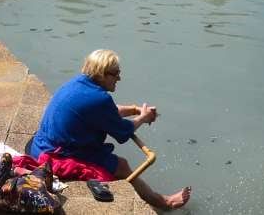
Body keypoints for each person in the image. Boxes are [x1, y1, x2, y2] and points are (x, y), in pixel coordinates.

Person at [26, 50, 191, 210]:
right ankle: (164, 202)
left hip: (40, 146)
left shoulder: (78, 83)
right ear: (102, 74)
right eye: (115, 73)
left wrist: (135, 110)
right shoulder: (99, 99)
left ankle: (154, 199)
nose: (119, 78)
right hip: (55, 156)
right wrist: (143, 118)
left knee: (112, 160)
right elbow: (123, 132)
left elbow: (106, 112)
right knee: (122, 166)